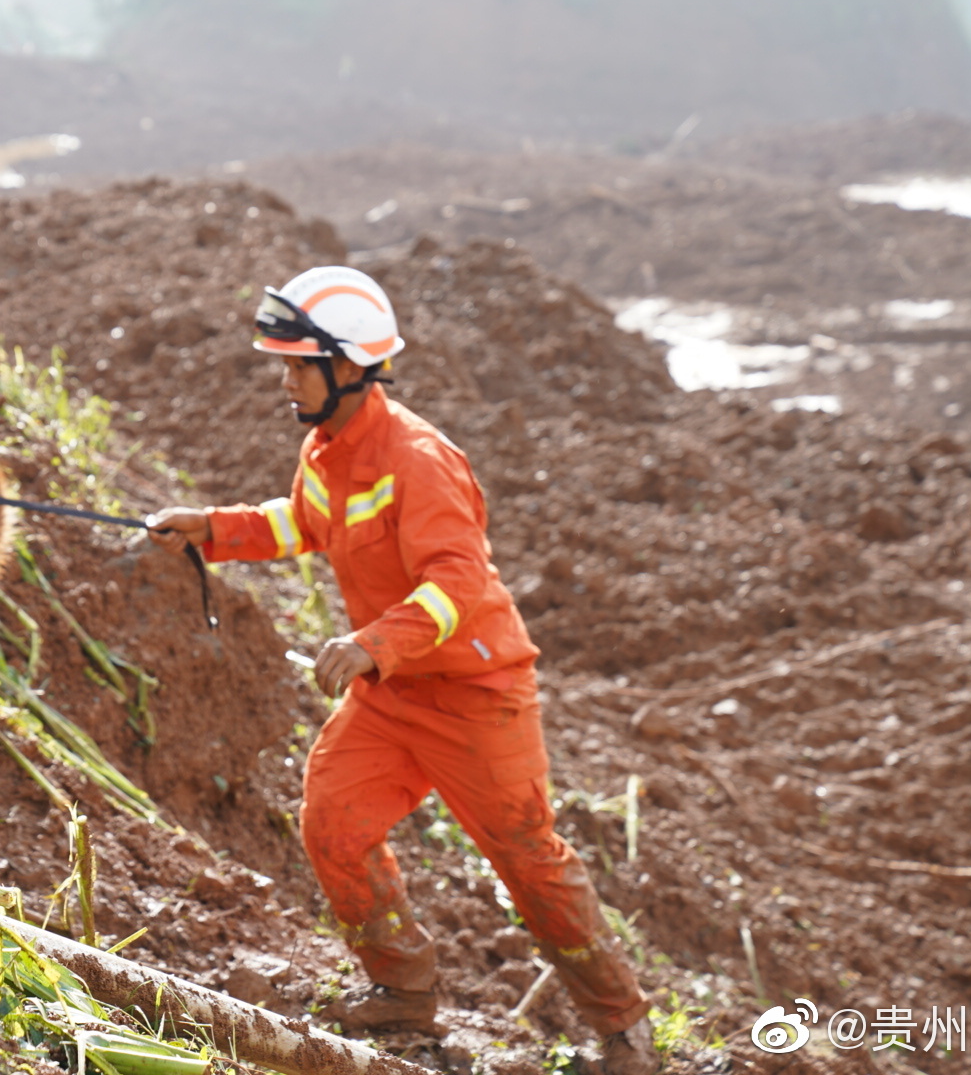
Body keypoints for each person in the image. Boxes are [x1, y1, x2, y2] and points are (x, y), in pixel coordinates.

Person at [147, 267, 659, 1074]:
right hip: (394, 694)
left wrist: (372, 644)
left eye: (295, 365)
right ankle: (404, 990)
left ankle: (623, 1027)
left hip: (477, 695)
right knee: (333, 823)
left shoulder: (419, 458)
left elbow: (458, 580)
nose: (284, 380)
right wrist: (211, 530)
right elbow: (303, 522)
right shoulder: (323, 449)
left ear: (348, 365)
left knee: (528, 859)